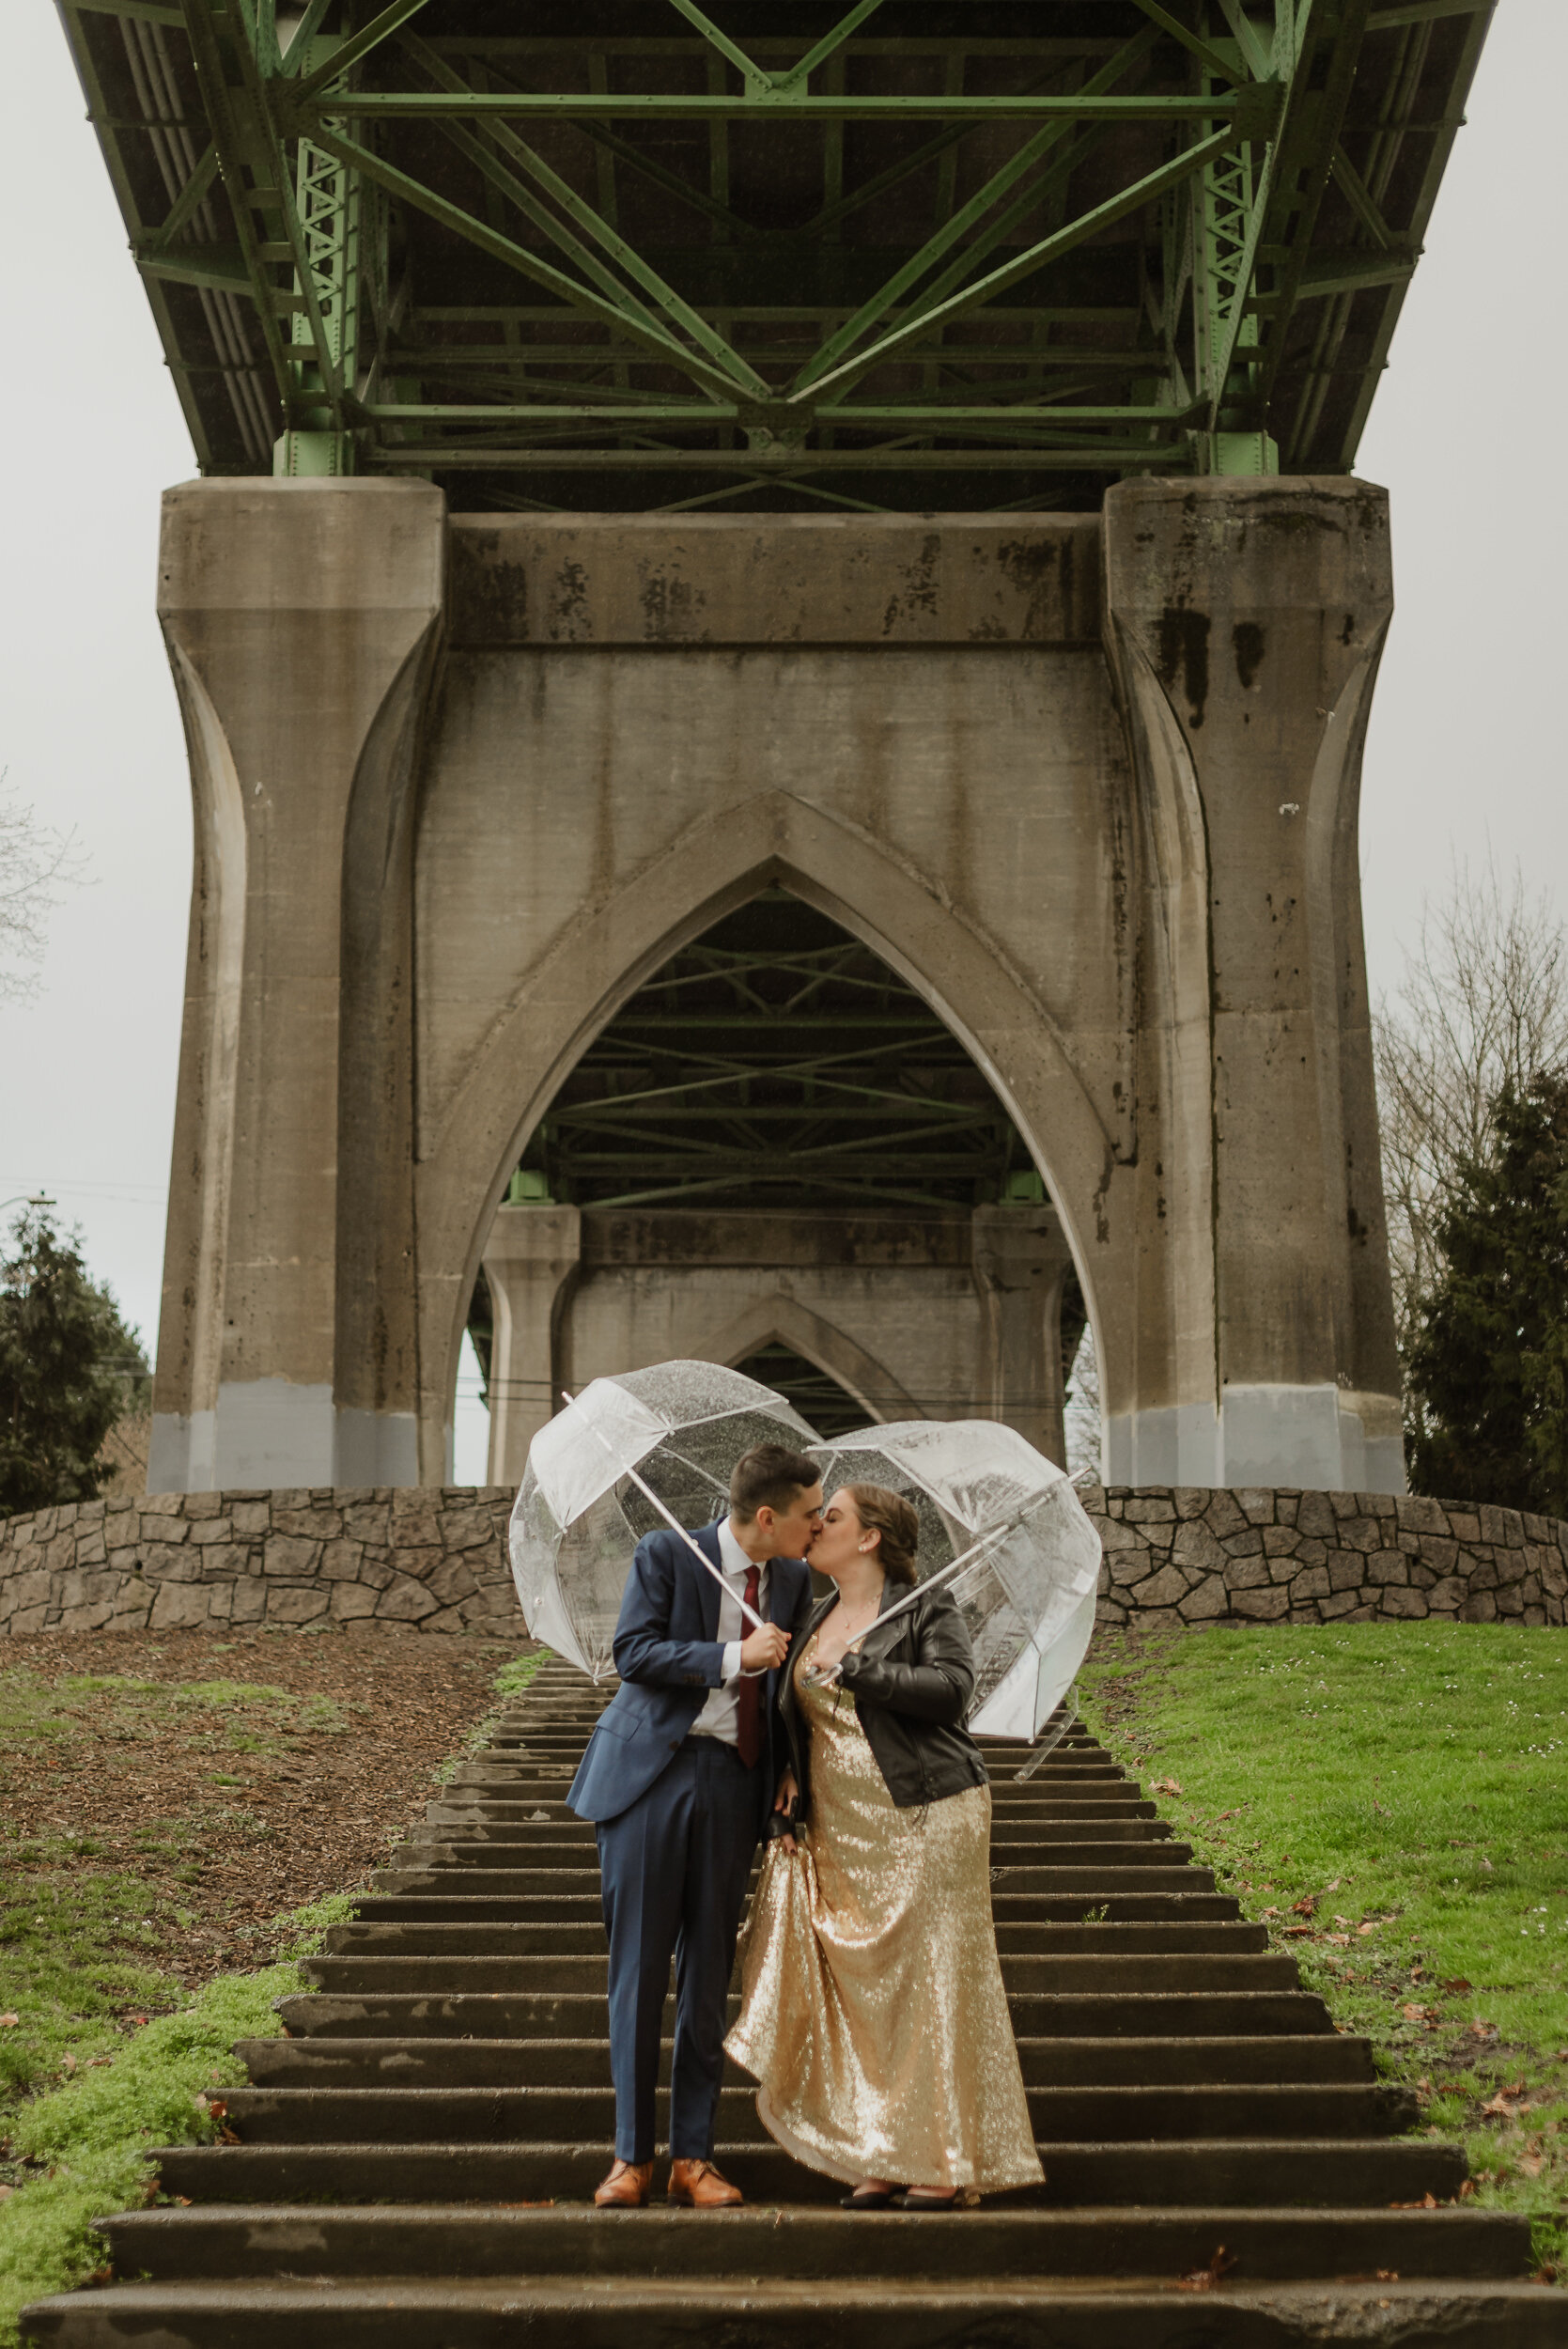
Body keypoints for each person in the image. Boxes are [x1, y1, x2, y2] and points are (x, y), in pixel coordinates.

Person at [725, 1483, 1043, 2208]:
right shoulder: (810, 1616)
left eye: (829, 1517)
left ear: (869, 1537)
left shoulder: (924, 1606)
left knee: (935, 1979)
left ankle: (946, 2156)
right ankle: (887, 2147)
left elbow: (953, 1690)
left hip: (927, 1812)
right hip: (843, 1829)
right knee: (869, 1991)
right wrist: (787, 1774)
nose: (814, 1527)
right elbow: (800, 1720)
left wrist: (863, 1670)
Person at [567, 1442, 820, 2210]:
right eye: (809, 1515)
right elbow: (632, 1653)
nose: (818, 1527)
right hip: (650, 1776)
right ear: (768, 1517)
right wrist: (730, 1655)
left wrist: (789, 1769)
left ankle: (695, 2159)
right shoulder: (666, 1555)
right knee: (639, 1972)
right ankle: (629, 2160)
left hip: (733, 1782)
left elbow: (792, 1691)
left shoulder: (797, 1579)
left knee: (708, 1977)